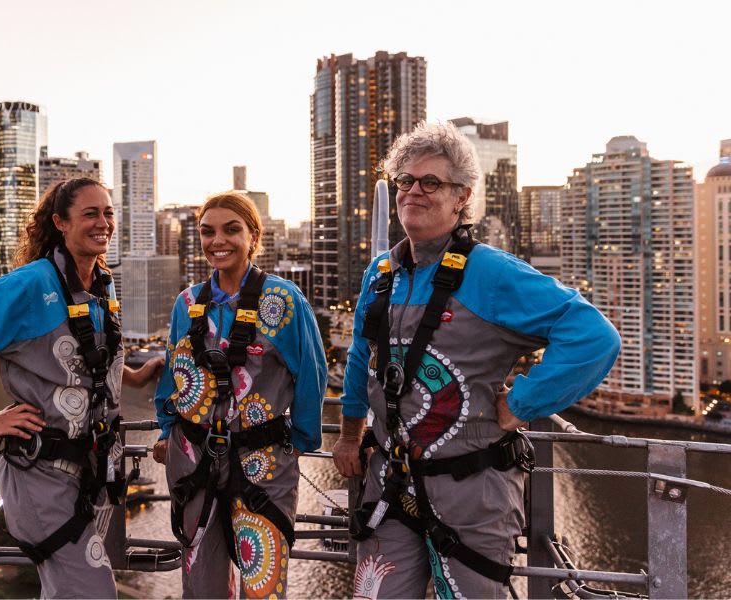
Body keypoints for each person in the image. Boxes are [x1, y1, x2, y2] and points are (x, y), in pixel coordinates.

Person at [333, 122, 620, 599]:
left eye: (431, 182)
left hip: (471, 493)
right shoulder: (381, 273)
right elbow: (364, 354)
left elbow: (594, 337)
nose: (414, 191)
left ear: (462, 196)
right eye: (404, 180)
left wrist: (524, 403)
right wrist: (348, 434)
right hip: (388, 486)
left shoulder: (491, 272)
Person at [0, 177, 162, 599]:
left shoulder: (101, 283)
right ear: (60, 223)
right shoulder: (33, 285)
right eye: (90, 213)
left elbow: (88, 363)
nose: (103, 222)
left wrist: (137, 377)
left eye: (108, 212)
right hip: (44, 478)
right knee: (93, 594)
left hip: (94, 472)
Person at [150, 192, 327, 599]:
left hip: (262, 461)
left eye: (232, 229)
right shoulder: (189, 303)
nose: (218, 241)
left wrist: (298, 442)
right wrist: (166, 430)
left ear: (253, 235)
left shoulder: (282, 301)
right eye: (207, 232)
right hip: (194, 459)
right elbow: (173, 372)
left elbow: (312, 376)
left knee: (262, 582)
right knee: (201, 584)